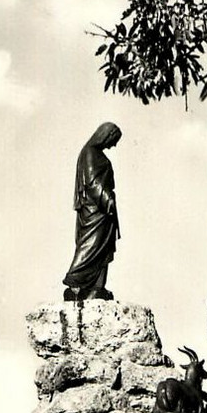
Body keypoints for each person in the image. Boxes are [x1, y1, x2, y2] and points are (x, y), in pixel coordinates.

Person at [62, 122, 122, 300]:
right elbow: (93, 182)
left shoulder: (94, 153)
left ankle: (97, 287)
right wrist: (108, 201)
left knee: (103, 250)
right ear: (106, 135)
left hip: (103, 212)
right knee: (91, 246)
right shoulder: (90, 153)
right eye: (114, 140)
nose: (114, 145)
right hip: (95, 211)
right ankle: (75, 281)